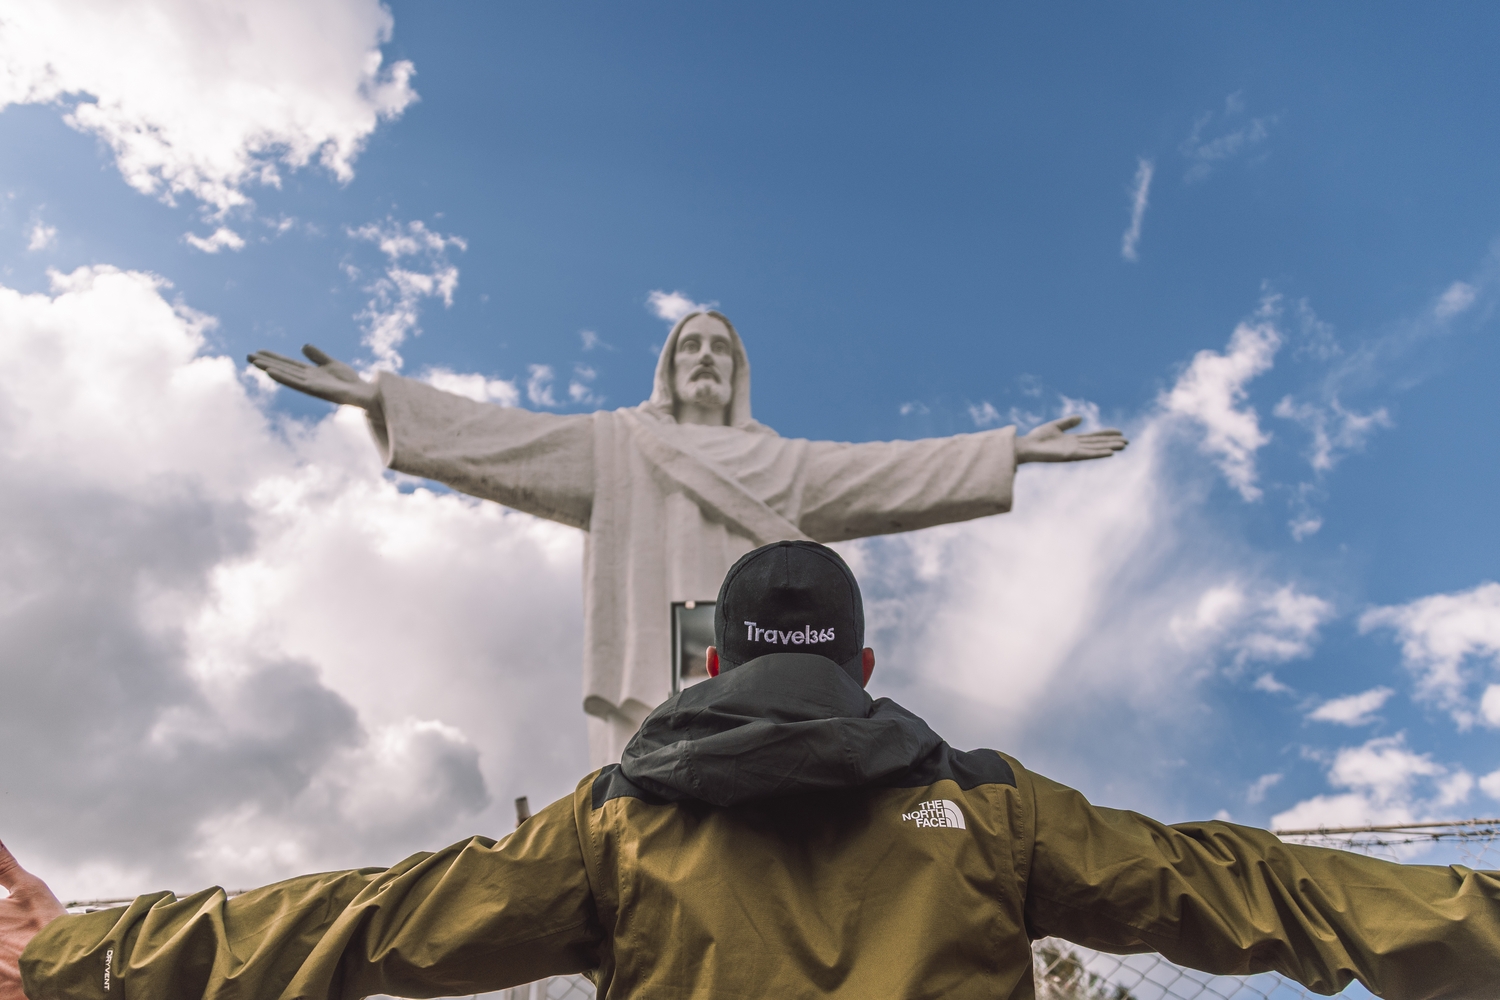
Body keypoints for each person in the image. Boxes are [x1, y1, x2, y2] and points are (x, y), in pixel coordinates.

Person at [6, 541, 1500, 999]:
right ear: (864, 665)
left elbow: (360, 924)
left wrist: (74, 953)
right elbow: (1253, 886)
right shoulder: (985, 810)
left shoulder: (617, 828)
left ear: (707, 666)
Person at [249, 312, 1128, 765]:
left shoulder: (780, 463)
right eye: (690, 347)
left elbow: (885, 474)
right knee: (652, 771)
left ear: (737, 373)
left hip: (740, 636)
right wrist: (384, 400)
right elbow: (503, 439)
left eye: (720, 349)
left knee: (750, 759)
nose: (704, 358)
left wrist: (1004, 451)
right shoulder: (617, 442)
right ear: (670, 367)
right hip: (655, 634)